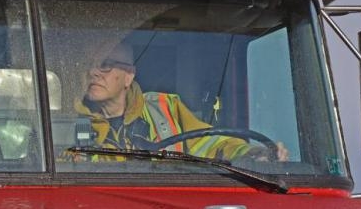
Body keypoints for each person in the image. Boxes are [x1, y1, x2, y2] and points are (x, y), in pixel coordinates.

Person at [73, 41, 287, 161]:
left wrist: (251, 154)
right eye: (89, 65)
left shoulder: (166, 108)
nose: (94, 72)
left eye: (104, 65)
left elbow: (212, 144)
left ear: (129, 75)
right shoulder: (67, 121)